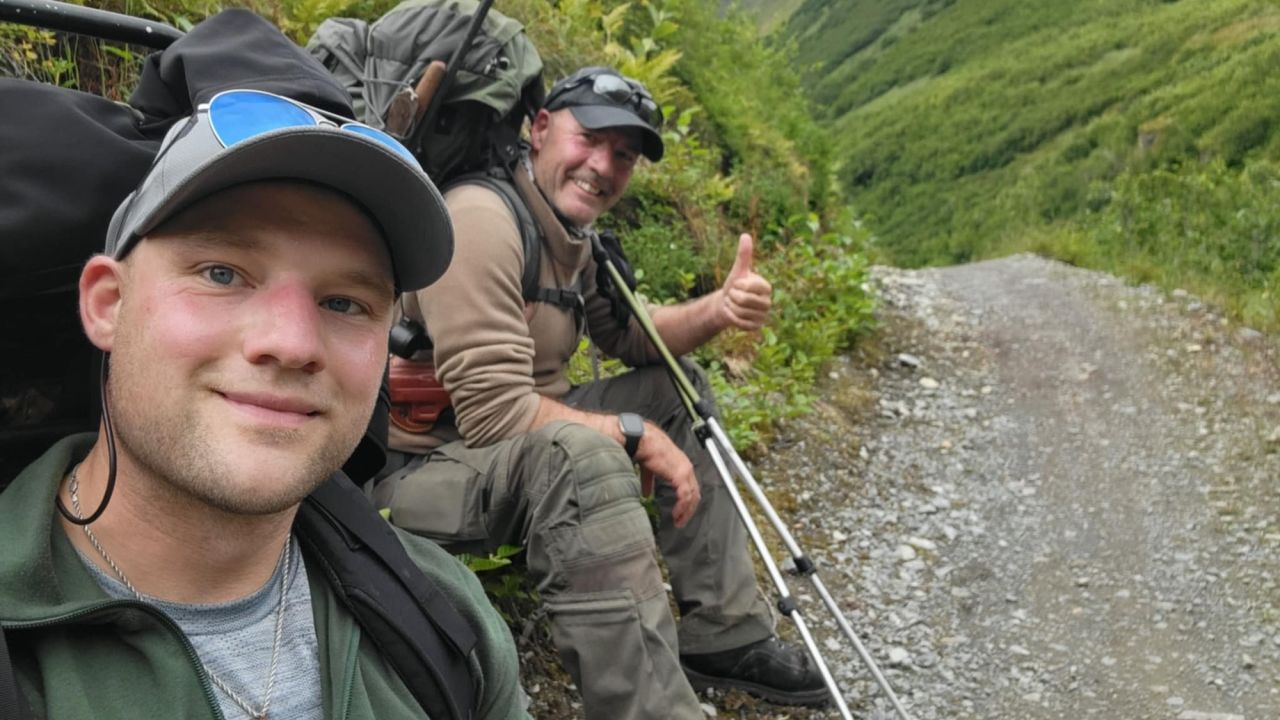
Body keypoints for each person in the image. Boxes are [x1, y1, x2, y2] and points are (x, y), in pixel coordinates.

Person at [0, 87, 528, 720]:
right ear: (108, 304)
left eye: (344, 303)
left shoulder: (446, 619)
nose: (293, 343)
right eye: (222, 273)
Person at [375, 66, 826, 719]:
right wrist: (632, 436)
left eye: (624, 155)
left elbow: (632, 336)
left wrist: (720, 310)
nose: (603, 166)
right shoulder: (481, 220)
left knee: (672, 390)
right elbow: (497, 413)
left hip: (509, 450)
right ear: (539, 130)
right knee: (581, 454)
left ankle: (724, 635)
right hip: (413, 472)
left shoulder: (568, 233)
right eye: (589, 138)